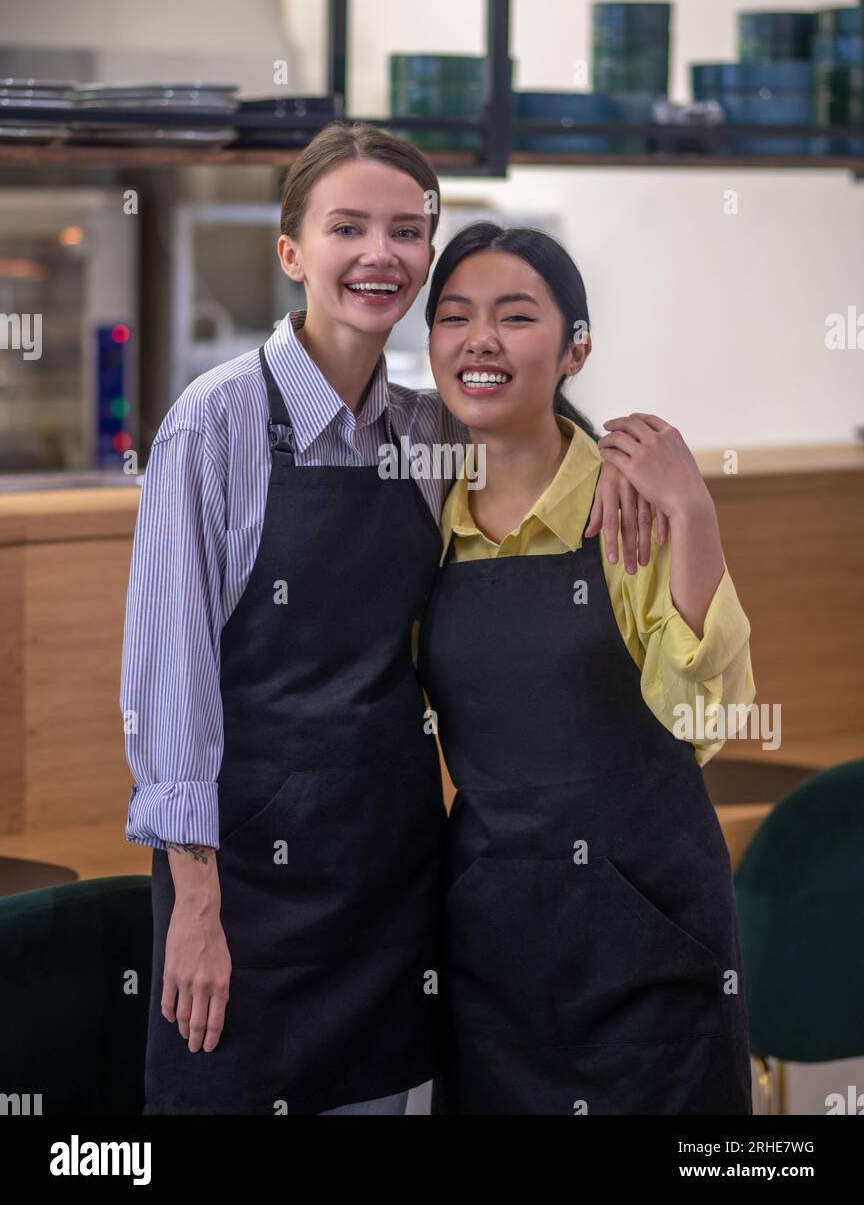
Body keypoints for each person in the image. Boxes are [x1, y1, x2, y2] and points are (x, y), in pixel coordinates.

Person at [120, 124, 653, 1116]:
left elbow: (538, 425)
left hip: (389, 876)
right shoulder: (213, 425)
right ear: (293, 254)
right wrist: (193, 909)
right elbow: (168, 689)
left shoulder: (426, 430)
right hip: (243, 892)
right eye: (349, 227)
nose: (382, 255)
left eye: (408, 231)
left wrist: (633, 460)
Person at [417, 223, 755, 1116]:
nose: (480, 339)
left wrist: (695, 513)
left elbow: (706, 725)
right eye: (454, 317)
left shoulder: (633, 514)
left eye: (515, 317)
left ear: (577, 349)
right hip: (493, 943)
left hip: (648, 935)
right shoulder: (420, 521)